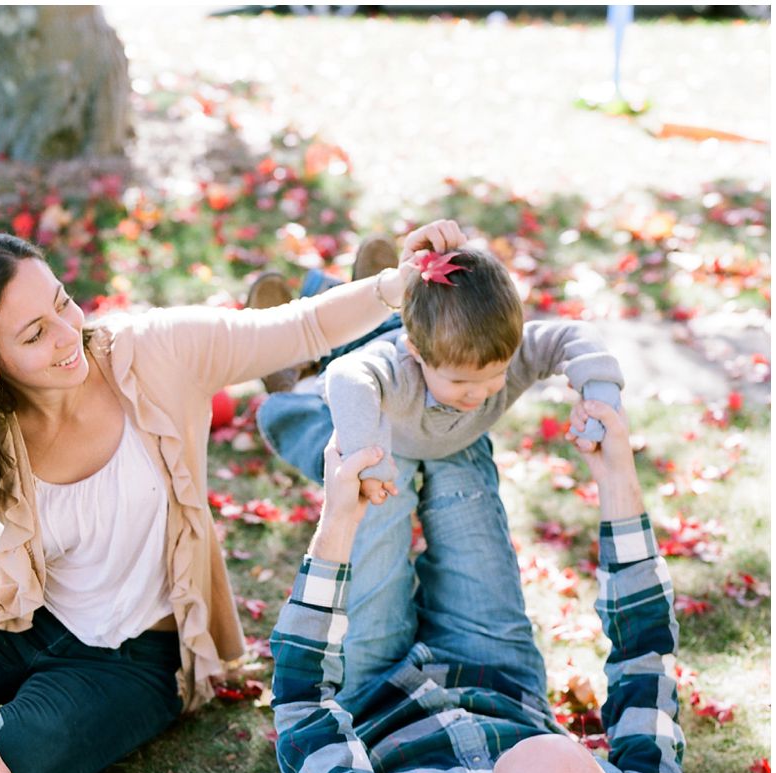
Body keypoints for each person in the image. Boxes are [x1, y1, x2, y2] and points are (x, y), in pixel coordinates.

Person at [0, 220, 465, 773]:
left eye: (63, 301)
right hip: (13, 611)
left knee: (8, 772)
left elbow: (302, 326)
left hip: (133, 657)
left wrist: (393, 286)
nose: (69, 334)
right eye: (36, 334)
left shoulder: (155, 352)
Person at [269, 398, 687, 773]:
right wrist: (617, 473)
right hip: (500, 674)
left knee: (373, 481)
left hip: (372, 691)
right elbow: (647, 657)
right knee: (459, 442)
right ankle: (407, 339)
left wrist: (338, 520)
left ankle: (318, 375)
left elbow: (301, 702)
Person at [257, 245, 626, 694]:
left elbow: (571, 336)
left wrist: (599, 388)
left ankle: (372, 303)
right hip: (371, 413)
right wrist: (365, 445)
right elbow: (347, 377)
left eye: (495, 376)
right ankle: (291, 353)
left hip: (441, 428)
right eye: (461, 382)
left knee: (421, 356)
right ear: (418, 354)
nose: (481, 393)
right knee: (326, 405)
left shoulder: (500, 354)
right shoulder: (398, 365)